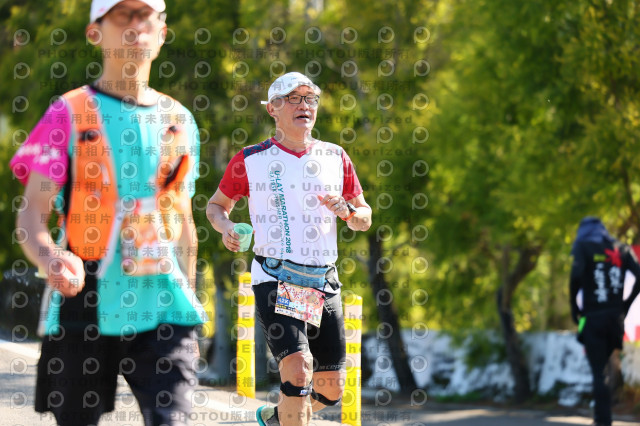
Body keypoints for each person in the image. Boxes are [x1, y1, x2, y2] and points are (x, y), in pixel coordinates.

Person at [10, 1, 206, 424]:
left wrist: (190, 294)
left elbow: (184, 222)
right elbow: (31, 217)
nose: (135, 26)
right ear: (94, 32)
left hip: (165, 306)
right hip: (86, 298)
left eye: (144, 15)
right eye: (121, 15)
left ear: (162, 33)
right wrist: (51, 258)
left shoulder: (180, 120)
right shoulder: (67, 113)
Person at [206, 72, 372, 426]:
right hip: (276, 277)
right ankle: (289, 412)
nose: (304, 105)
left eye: (310, 98)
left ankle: (276, 417)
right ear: (272, 108)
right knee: (298, 372)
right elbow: (216, 206)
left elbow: (365, 216)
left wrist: (349, 213)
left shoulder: (335, 155)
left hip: (322, 280)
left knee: (330, 390)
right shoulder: (251, 159)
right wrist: (226, 228)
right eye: (293, 98)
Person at [570, 217, 640, 426]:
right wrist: (625, 305)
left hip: (593, 317)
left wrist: (575, 309)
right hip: (615, 320)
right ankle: (604, 418)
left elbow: (575, 277)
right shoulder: (622, 249)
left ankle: (602, 420)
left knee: (598, 372)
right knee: (606, 369)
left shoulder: (583, 246)